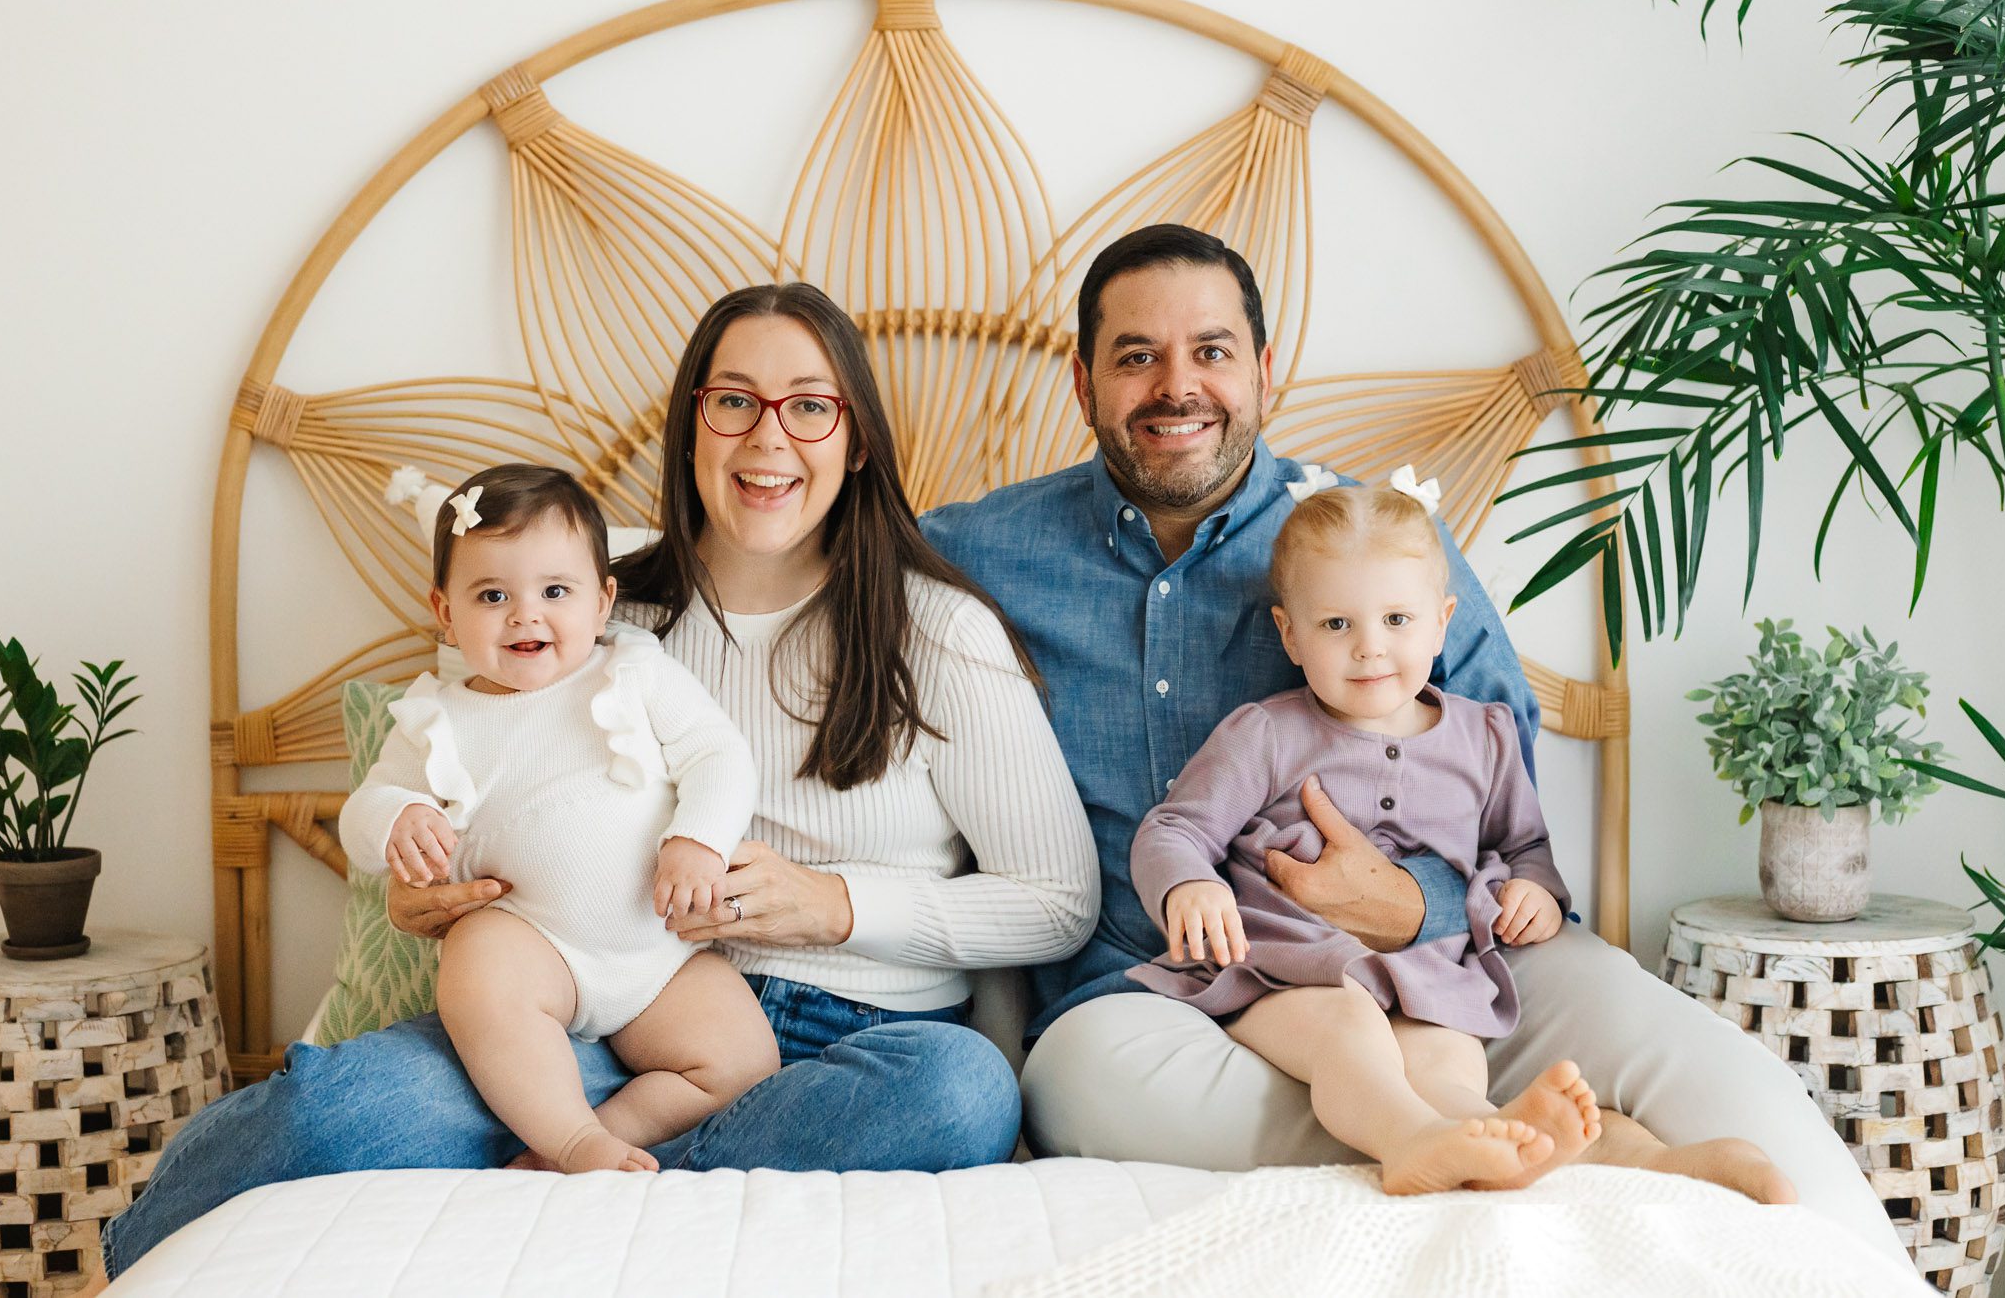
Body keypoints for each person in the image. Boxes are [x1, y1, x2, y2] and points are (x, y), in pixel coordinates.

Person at [921, 224, 1906, 1263]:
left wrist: (1415, 905)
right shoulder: (975, 552)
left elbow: (1507, 805)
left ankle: (1849, 1262)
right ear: (1082, 381)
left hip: (1445, 956)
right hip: (1160, 990)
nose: (1177, 385)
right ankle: (1547, 1145)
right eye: (1136, 355)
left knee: (1713, 1067)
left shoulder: (1376, 545)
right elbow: (811, 560)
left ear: (1263, 371)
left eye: (1210, 350)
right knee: (1085, 1082)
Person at [96, 284, 1098, 1284]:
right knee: (330, 1111)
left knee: (965, 1091)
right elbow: (468, 770)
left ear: (857, 439)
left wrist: (833, 905)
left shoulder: (941, 633)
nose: (768, 437)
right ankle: (111, 1268)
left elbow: (1058, 903)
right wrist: (418, 884)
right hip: (608, 1014)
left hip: (862, 1038)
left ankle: (600, 1163)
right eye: (734, 400)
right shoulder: (588, 609)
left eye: (809, 404)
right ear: (691, 423)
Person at [1131, 471, 1599, 1193]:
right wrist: (1189, 884)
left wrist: (1534, 886)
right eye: (1337, 623)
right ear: (1290, 632)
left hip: (1430, 968)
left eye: (1397, 621)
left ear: (1442, 620)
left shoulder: (1486, 736)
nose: (1370, 649)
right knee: (1350, 1032)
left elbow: (1524, 844)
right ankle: (1410, 1140)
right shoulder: (1268, 734)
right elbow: (1174, 828)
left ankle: (1492, 1136)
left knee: (1446, 1057)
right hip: (1282, 970)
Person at [339, 463, 775, 1175]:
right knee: (477, 966)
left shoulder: (633, 672)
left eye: (554, 591)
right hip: (538, 951)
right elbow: (362, 813)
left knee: (745, 1058)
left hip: (662, 956)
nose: (525, 614)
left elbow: (718, 753)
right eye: (491, 594)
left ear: (603, 601)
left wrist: (697, 840)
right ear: (444, 611)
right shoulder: (435, 719)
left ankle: (596, 1135)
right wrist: (399, 813)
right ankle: (571, 1138)